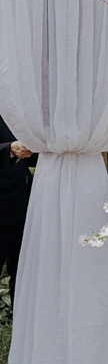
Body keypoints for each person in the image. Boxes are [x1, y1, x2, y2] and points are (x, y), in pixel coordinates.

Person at [0, 115, 36, 315]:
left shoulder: (20, 109)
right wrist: (9, 149)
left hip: (23, 204)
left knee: (22, 276)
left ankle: (20, 328)